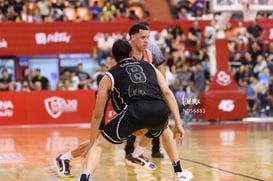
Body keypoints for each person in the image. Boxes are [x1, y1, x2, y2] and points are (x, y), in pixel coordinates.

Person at [79, 39, 192, 181]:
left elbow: (97, 114)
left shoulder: (109, 75)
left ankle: (85, 177)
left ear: (113, 56)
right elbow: (168, 93)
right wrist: (178, 123)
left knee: (97, 146)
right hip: (159, 111)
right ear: (131, 53)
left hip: (134, 111)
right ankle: (178, 171)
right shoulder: (150, 67)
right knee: (160, 129)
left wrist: (92, 141)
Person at [124, 22, 166, 159]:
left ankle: (155, 150)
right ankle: (130, 150)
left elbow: (160, 65)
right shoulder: (127, 49)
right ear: (134, 37)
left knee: (157, 121)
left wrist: (162, 86)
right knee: (133, 122)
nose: (146, 39)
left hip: (149, 90)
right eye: (143, 36)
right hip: (132, 92)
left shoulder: (151, 50)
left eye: (147, 36)